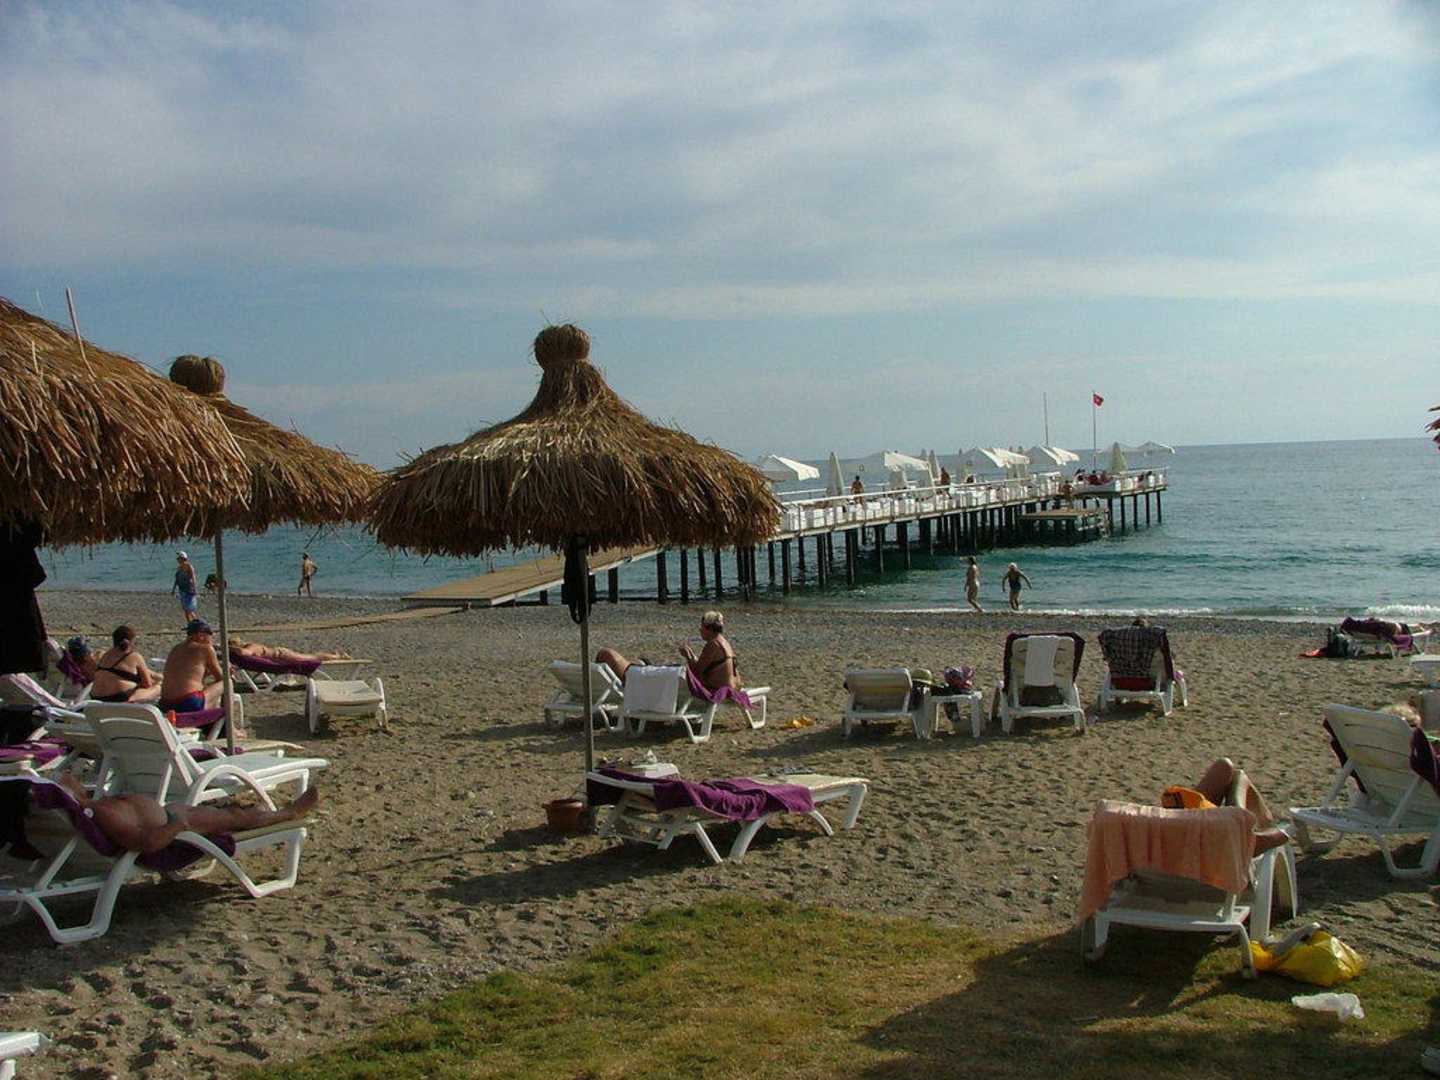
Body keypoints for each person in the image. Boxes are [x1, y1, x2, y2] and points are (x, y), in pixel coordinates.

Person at [53, 771, 317, 854]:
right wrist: (178, 825)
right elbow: (147, 842)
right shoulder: (102, 814)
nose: (75, 778)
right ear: (73, 795)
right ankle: (288, 814)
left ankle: (260, 813)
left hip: (167, 815)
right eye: (71, 782)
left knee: (226, 813)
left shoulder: (92, 808)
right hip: (174, 827)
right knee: (234, 817)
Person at [1160, 758, 1290, 854]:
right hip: (1213, 838)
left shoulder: (1148, 827)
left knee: (1224, 767)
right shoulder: (1232, 839)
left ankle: (1264, 818)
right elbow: (1250, 844)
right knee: (1240, 778)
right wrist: (1283, 833)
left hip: (1178, 830)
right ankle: (1265, 819)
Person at [596, 610, 742, 693]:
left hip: (714, 689)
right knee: (666, 670)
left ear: (709, 629)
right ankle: (645, 666)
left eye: (702, 627)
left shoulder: (713, 644)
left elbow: (697, 672)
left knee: (662, 675)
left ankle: (643, 669)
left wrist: (688, 656)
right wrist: (691, 655)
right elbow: (706, 668)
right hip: (726, 686)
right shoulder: (723, 642)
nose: (700, 630)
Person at [159, 619, 226, 713]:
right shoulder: (205, 649)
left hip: (165, 704)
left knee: (207, 690)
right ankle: (227, 718)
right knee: (227, 682)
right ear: (201, 635)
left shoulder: (176, 648)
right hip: (188, 702)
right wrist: (228, 671)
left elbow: (190, 676)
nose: (212, 640)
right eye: (210, 635)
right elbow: (221, 678)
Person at [91, 625, 162, 704]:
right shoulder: (134, 656)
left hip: (96, 697)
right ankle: (132, 700)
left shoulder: (106, 655)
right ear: (130, 642)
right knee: (157, 688)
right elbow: (147, 684)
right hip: (118, 698)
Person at [229, 638, 351, 664]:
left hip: (282, 655)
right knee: (311, 656)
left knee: (312, 658)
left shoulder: (250, 647)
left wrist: (228, 648)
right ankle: (336, 655)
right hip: (280, 654)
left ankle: (338, 657)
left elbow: (244, 653)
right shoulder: (250, 646)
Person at [172, 552, 199, 623]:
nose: (178, 560)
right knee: (185, 609)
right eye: (178, 558)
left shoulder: (189, 566)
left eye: (179, 558)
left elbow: (193, 578)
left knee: (189, 609)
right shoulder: (179, 568)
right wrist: (173, 589)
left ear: (183, 558)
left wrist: (195, 588)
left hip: (189, 590)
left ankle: (197, 622)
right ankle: (189, 624)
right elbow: (177, 579)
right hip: (182, 590)